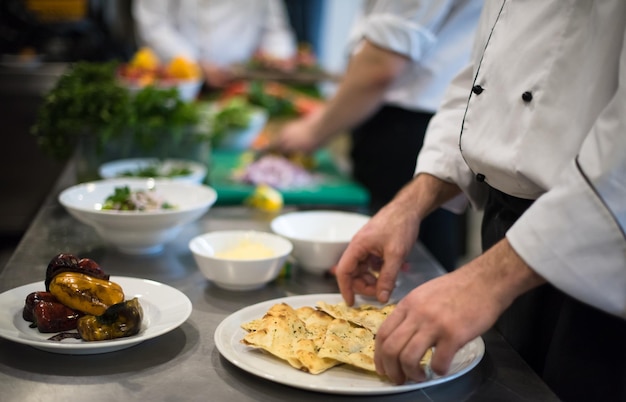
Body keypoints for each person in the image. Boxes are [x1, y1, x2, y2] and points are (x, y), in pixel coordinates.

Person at [334, 2, 626, 401]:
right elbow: (478, 81)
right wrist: (409, 204)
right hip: (506, 233)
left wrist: (488, 278)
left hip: (598, 259)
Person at [277, 0, 483, 271]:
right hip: (414, 127)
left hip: (409, 133)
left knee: (410, 270)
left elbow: (381, 65)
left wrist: (313, 131)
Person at [132, 0, 297, 88]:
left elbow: (275, 29)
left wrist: (276, 57)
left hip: (242, 85)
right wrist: (195, 64)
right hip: (179, 84)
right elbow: (153, 25)